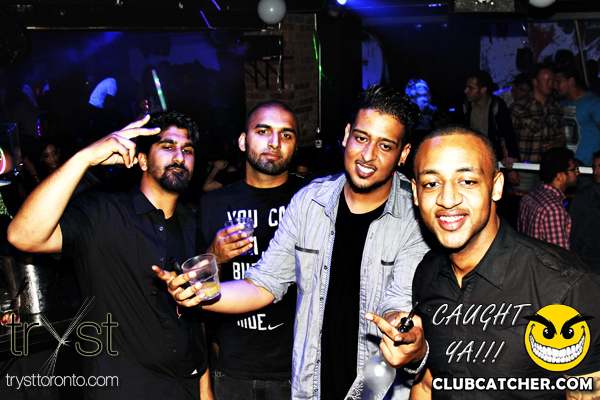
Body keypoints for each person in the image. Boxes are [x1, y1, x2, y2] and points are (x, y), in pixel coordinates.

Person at [156, 85, 431, 400]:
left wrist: (403, 331)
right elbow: (264, 284)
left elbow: (399, 304)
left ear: (403, 154)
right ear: (346, 135)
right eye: (361, 138)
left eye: (385, 145)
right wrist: (199, 292)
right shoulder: (309, 202)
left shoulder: (415, 216)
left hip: (373, 393)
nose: (368, 155)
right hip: (310, 390)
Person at [7, 111, 211, 399]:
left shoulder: (192, 223)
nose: (179, 156)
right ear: (142, 160)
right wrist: (84, 158)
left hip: (184, 387)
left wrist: (205, 390)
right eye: (168, 147)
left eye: (187, 150)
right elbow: (23, 235)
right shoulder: (104, 213)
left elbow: (195, 319)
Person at [409, 125, 600, 399]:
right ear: (416, 193)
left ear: (496, 186)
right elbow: (428, 384)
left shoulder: (565, 288)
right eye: (431, 183)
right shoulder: (427, 272)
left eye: (467, 181)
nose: (448, 199)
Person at [197, 101, 306, 399]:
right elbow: (196, 299)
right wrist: (215, 256)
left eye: (286, 134)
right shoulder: (214, 203)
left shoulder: (312, 200)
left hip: (298, 369)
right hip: (234, 368)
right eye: (263, 131)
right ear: (243, 141)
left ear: (296, 146)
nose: (275, 142)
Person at [511, 62, 565, 191]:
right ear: (535, 82)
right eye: (547, 81)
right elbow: (507, 139)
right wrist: (511, 169)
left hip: (549, 169)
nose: (551, 84)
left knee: (547, 201)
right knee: (523, 201)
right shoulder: (520, 107)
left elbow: (561, 136)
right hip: (524, 169)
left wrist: (556, 144)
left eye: (552, 81)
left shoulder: (555, 106)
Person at [460, 70, 520, 185]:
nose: (465, 91)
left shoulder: (497, 105)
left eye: (470, 88)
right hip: (469, 161)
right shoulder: (464, 106)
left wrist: (511, 162)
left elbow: (506, 134)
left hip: (493, 161)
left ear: (483, 90)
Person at [517, 147, 578, 249]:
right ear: (560, 176)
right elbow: (559, 254)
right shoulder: (554, 210)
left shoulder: (529, 196)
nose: (577, 172)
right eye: (574, 169)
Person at [554, 64, 600, 167]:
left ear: (571, 81)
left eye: (558, 81)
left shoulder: (594, 103)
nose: (555, 86)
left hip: (589, 166)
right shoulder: (561, 104)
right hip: (569, 165)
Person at [570, 150, 600, 273]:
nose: (596, 172)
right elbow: (573, 234)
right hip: (589, 265)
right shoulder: (584, 197)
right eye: (595, 167)